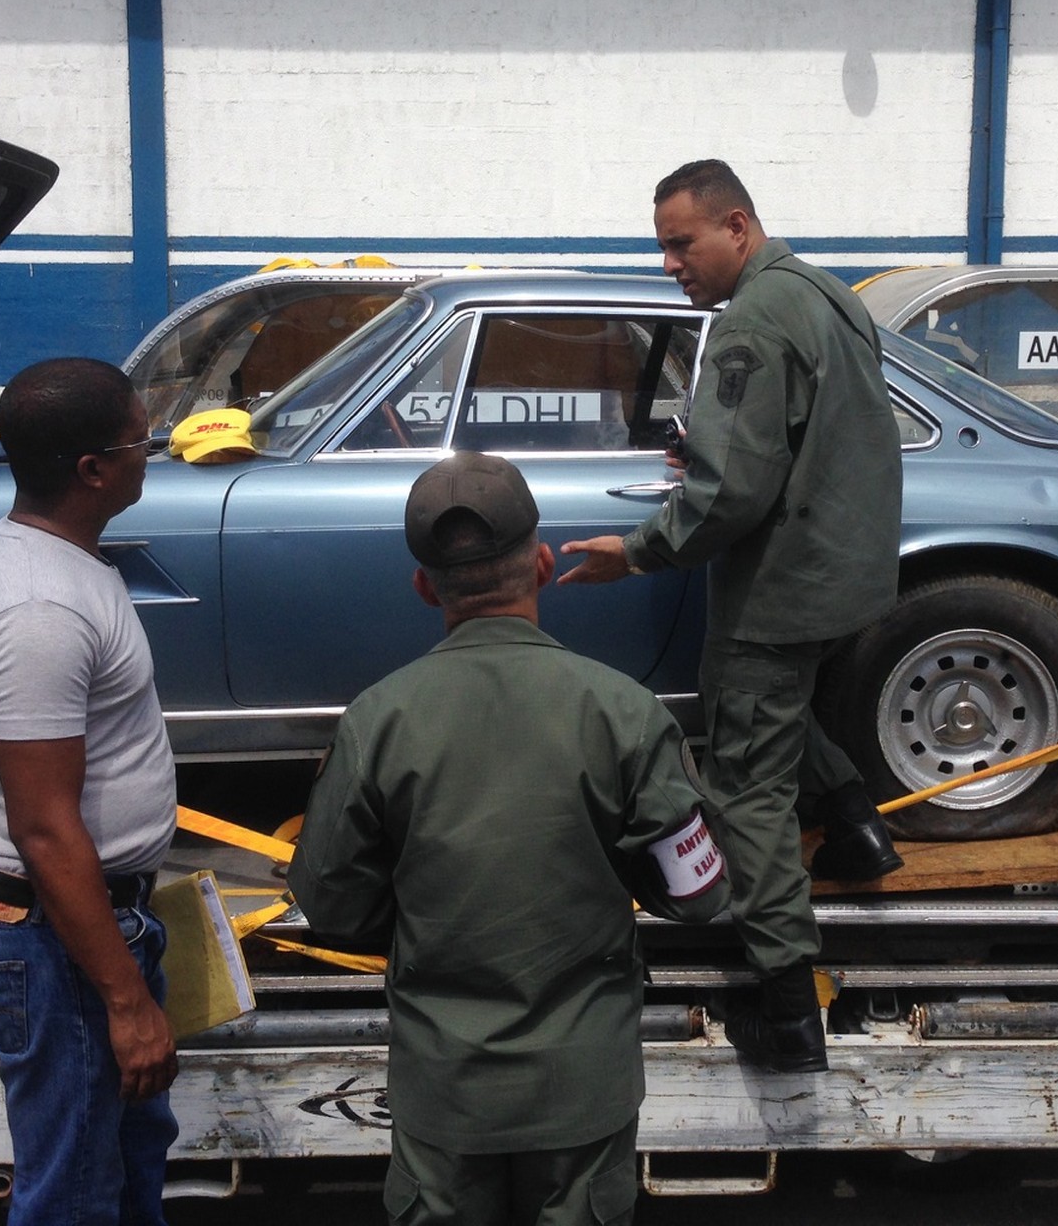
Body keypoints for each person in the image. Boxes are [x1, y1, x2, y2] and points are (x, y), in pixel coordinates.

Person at [291, 452, 731, 1226]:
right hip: (581, 1093)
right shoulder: (625, 713)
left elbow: (332, 907)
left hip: (445, 1089)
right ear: (541, 562)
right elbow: (699, 894)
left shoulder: (376, 722)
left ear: (426, 586)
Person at [557, 159, 904, 1074]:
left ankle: (789, 1010)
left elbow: (729, 489)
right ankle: (859, 828)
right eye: (664, 247)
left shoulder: (750, 318)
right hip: (844, 576)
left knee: (747, 780)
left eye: (682, 243)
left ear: (737, 228)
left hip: (780, 589)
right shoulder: (826, 293)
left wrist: (633, 551)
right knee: (772, 710)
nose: (672, 264)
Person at [0, 358, 180, 1226]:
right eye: (140, 437)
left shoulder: (64, 564)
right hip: (60, 946)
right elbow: (42, 827)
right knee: (74, 1198)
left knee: (118, 1171)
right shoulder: (36, 607)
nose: (152, 450)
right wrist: (124, 998)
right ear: (93, 469)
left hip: (87, 932)